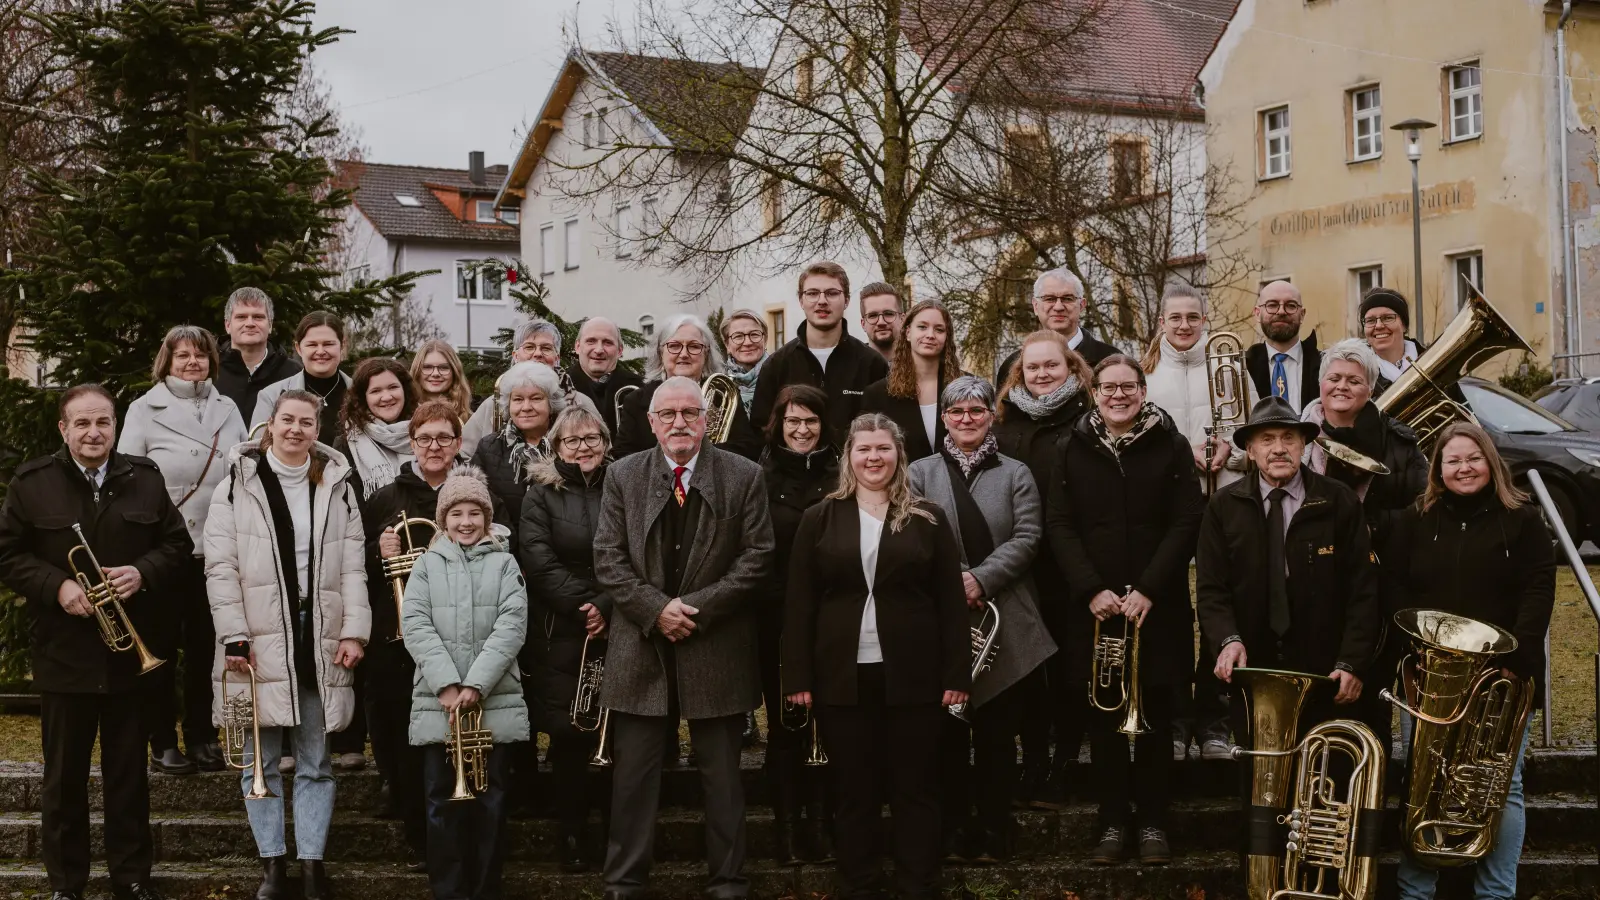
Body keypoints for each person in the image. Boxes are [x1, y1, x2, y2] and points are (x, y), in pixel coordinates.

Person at [0, 383, 193, 900]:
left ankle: (131, 878)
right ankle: (68, 883)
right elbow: (7, 553)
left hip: (131, 656)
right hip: (65, 656)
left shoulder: (146, 480)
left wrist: (142, 572)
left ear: (115, 427)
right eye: (81, 423)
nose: (93, 432)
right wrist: (56, 585)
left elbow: (178, 544)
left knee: (127, 778)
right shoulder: (32, 482)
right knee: (63, 780)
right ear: (63, 429)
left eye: (102, 422)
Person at [593, 376, 775, 899]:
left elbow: (758, 555)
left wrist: (696, 609)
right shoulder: (624, 475)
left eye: (689, 413)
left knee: (722, 776)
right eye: (668, 414)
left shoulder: (743, 475)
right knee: (634, 778)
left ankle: (729, 881)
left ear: (706, 420)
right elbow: (607, 556)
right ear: (651, 422)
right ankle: (624, 881)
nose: (679, 423)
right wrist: (656, 610)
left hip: (714, 641)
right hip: (641, 643)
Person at [782, 413, 969, 900]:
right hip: (842, 675)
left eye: (883, 449)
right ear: (849, 456)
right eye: (863, 449)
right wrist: (797, 676)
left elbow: (951, 602)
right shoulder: (819, 517)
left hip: (915, 674)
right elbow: (799, 604)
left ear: (898, 455)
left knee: (916, 788)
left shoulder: (927, 516)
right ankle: (860, 883)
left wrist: (956, 673)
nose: (873, 458)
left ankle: (917, 885)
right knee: (854, 790)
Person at [205, 390, 370, 900]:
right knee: (261, 761)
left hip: (318, 631)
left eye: (306, 422)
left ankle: (313, 864)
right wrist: (234, 635)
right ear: (269, 426)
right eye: (287, 420)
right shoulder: (237, 482)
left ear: (317, 428)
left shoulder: (339, 484)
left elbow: (352, 565)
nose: (296, 429)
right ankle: (273, 866)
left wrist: (354, 631)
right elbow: (221, 565)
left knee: (316, 762)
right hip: (252, 635)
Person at [1383, 422, 1555, 900]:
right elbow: (1394, 586)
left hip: (1503, 677)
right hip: (1430, 675)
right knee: (1422, 783)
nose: (1464, 468)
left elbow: (1539, 587)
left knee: (1505, 786)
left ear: (1492, 463)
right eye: (1453, 460)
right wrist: (1412, 649)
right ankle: (1416, 889)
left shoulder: (1522, 519)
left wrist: (1519, 654)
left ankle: (1496, 893)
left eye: (1473, 458)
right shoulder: (1414, 519)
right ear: (1438, 469)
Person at [1047, 356, 1205, 866]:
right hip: (1094, 609)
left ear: (1142, 390)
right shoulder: (1069, 446)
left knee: (1155, 715)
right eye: (1108, 387)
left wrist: (1152, 589)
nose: (1119, 395)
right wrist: (1091, 589)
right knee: (1104, 716)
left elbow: (1186, 521)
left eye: (1129, 387)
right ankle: (1113, 823)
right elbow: (1059, 524)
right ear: (1094, 393)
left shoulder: (1172, 444)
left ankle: (1155, 822)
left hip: (1155, 606)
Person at [909, 377, 1055, 864]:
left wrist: (982, 579)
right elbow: (907, 535)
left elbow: (1030, 537)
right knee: (947, 734)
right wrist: (954, 581)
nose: (966, 419)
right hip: (940, 617)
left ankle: (994, 831)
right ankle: (953, 831)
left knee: (996, 735)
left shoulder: (1017, 472)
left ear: (991, 415)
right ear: (944, 418)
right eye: (956, 411)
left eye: (976, 410)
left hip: (1005, 614)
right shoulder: (919, 472)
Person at [1196, 397, 1379, 740]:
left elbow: (1363, 591)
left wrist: (1352, 662)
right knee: (1258, 781)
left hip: (1325, 667)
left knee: (1322, 773)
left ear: (1303, 446)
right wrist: (1227, 640)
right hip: (1253, 663)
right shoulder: (1224, 506)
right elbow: (1211, 589)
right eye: (1266, 440)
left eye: (1288, 438)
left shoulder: (1339, 501)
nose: (1278, 449)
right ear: (1249, 451)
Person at [119, 326, 249, 776]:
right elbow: (129, 478)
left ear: (212, 360)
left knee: (203, 650)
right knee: (160, 647)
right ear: (167, 361)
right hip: (165, 549)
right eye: (182, 356)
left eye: (200, 355)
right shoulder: (143, 408)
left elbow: (244, 467)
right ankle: (162, 740)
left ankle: (201, 735)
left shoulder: (227, 407)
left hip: (214, 547)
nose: (192, 362)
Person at [402, 466, 529, 900]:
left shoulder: (506, 562)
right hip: (440, 703)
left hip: (492, 700)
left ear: (488, 517)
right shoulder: (425, 564)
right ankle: (449, 891)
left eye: (475, 512)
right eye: (456, 513)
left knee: (491, 801)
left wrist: (476, 684)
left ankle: (485, 888)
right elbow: (415, 624)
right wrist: (447, 685)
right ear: (444, 518)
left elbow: (512, 625)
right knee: (440, 800)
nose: (466, 522)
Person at [991, 330, 1094, 806]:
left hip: (1072, 563)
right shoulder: (1004, 424)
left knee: (1072, 668)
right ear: (1019, 373)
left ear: (1071, 367)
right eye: (1032, 368)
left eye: (1051, 365)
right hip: (1021, 566)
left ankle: (1066, 763)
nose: (1041, 374)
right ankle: (1033, 762)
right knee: (1029, 667)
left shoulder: (1089, 419)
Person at [365, 401, 468, 872]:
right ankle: (419, 838)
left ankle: (459, 834)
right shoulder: (387, 497)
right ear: (412, 443)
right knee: (404, 742)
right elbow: (355, 563)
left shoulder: (472, 494)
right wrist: (378, 548)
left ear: (458, 444)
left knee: (455, 739)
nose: (434, 447)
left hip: (459, 636)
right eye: (425, 438)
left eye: (444, 438)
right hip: (397, 638)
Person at [1139, 285, 1238, 763]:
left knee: (1218, 605)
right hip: (1168, 511)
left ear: (1204, 319)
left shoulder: (1229, 369)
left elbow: (1251, 431)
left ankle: (1214, 718)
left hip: (1222, 501)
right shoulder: (1145, 376)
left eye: (1192, 317)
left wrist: (1230, 451)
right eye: (1174, 317)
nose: (1183, 325)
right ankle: (1175, 719)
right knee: (1174, 612)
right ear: (1161, 322)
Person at [519, 404, 615, 873]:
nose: (583, 448)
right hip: (563, 630)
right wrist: (586, 607)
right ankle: (573, 835)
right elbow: (536, 559)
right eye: (572, 441)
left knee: (617, 733)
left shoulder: (625, 484)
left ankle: (619, 835)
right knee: (570, 736)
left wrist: (610, 605)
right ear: (555, 448)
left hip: (622, 622)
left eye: (592, 439)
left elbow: (641, 551)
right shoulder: (539, 494)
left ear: (606, 442)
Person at [757, 384, 838, 865]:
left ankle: (823, 825)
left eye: (810, 421)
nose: (802, 430)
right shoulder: (759, 476)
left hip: (836, 619)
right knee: (787, 726)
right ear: (779, 425)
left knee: (830, 724)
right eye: (793, 422)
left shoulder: (842, 472)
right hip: (779, 618)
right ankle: (787, 832)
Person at [751, 261, 890, 440]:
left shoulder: (872, 363)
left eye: (832, 293)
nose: (822, 301)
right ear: (801, 300)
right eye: (813, 293)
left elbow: (886, 428)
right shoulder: (777, 365)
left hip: (853, 467)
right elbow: (760, 432)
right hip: (791, 468)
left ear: (846, 300)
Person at [614, 314, 763, 461]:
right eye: (674, 346)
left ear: (706, 354)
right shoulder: (635, 401)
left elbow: (747, 449)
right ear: (660, 353)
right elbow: (623, 457)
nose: (684, 354)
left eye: (694, 346)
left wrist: (700, 456)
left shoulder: (723, 394)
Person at [471, 361, 563, 547]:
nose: (526, 407)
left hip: (558, 552)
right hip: (504, 550)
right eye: (518, 399)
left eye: (536, 398)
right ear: (508, 404)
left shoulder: (567, 444)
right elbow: (477, 504)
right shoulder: (489, 447)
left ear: (551, 403)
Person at [861, 300, 964, 462]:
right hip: (904, 485)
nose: (930, 335)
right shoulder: (878, 394)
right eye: (922, 327)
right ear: (908, 332)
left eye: (939, 329)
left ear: (947, 337)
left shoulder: (966, 388)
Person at [994, 268, 1117, 384]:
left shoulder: (1110, 360)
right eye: (1049, 299)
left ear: (1082, 305)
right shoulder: (1012, 366)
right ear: (1035, 306)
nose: (1058, 307)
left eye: (1067, 298)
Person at [462, 319, 564, 455]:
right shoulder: (492, 405)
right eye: (529, 347)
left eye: (546, 348)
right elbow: (464, 455)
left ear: (557, 358)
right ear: (515, 356)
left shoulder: (577, 401)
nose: (538, 354)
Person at [249, 312, 351, 441]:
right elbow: (258, 449)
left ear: (342, 345)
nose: (320, 351)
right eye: (312, 345)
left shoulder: (362, 393)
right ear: (298, 348)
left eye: (328, 344)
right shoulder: (271, 396)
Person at [335, 357, 420, 503]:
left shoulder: (428, 432)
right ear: (363, 397)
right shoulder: (346, 443)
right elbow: (345, 502)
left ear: (405, 390)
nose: (386, 397)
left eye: (393, 387)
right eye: (376, 391)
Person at [217, 287, 301, 420]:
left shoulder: (293, 373)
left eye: (258, 317)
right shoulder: (209, 369)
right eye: (241, 317)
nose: (250, 323)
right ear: (228, 325)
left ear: (270, 325)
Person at [1244, 281, 1320, 414]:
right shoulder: (1242, 367)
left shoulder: (1325, 364)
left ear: (1302, 315)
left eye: (1291, 306)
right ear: (1257, 313)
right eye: (1272, 305)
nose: (1281, 311)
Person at [568, 317, 643, 435]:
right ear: (577, 347)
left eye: (608, 342)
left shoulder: (640, 388)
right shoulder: (558, 388)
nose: (599, 350)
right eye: (591, 341)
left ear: (619, 351)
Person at [1360, 287, 1421, 391]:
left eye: (1388, 318)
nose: (1378, 326)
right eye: (1370, 320)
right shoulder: (1356, 373)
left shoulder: (1435, 363)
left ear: (1404, 325)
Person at [410, 339, 473, 424]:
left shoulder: (474, 416)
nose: (435, 374)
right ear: (417, 371)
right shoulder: (403, 412)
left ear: (455, 372)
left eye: (443, 367)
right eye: (427, 367)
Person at [721, 309, 770, 413]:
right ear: (727, 345)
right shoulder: (720, 388)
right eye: (738, 336)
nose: (747, 342)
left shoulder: (782, 378)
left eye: (754, 334)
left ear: (765, 340)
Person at [858, 282, 903, 361]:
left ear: (902, 319)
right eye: (873, 315)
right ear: (863, 324)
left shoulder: (922, 367)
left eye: (888, 314)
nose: (881, 322)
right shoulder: (849, 369)